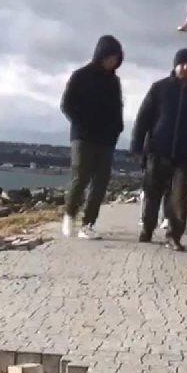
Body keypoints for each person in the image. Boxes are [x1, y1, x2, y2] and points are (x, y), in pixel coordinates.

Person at [130, 48, 187, 251]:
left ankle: (174, 236)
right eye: (182, 63)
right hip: (157, 150)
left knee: (179, 198)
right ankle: (147, 229)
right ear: (175, 65)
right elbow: (143, 118)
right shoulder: (160, 88)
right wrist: (137, 145)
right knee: (152, 194)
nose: (185, 67)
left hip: (184, 155)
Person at [60, 35, 125, 240]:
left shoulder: (114, 82)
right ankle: (69, 215)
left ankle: (88, 224)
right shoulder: (80, 76)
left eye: (116, 58)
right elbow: (66, 104)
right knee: (80, 177)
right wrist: (81, 122)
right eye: (110, 57)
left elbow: (118, 108)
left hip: (106, 139)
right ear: (101, 55)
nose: (113, 61)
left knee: (100, 182)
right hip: (83, 136)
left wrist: (117, 128)